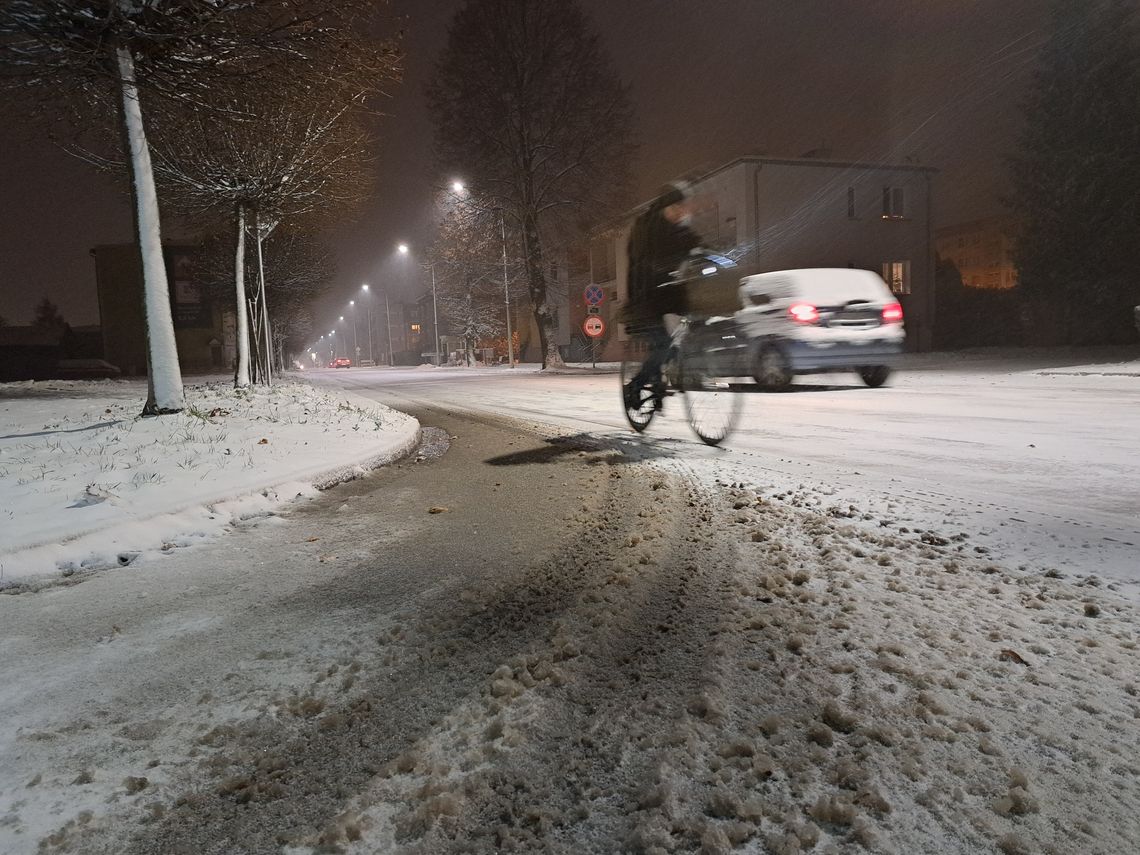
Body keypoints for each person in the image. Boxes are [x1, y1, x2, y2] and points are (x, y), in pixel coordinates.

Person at [622, 182, 701, 410]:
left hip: (669, 293)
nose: (679, 212)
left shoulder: (679, 230)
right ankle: (636, 386)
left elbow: (694, 245)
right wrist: (658, 269)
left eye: (681, 208)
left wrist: (713, 255)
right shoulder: (645, 228)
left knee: (693, 326)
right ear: (663, 207)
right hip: (643, 297)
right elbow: (641, 259)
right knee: (661, 344)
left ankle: (670, 372)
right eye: (674, 208)